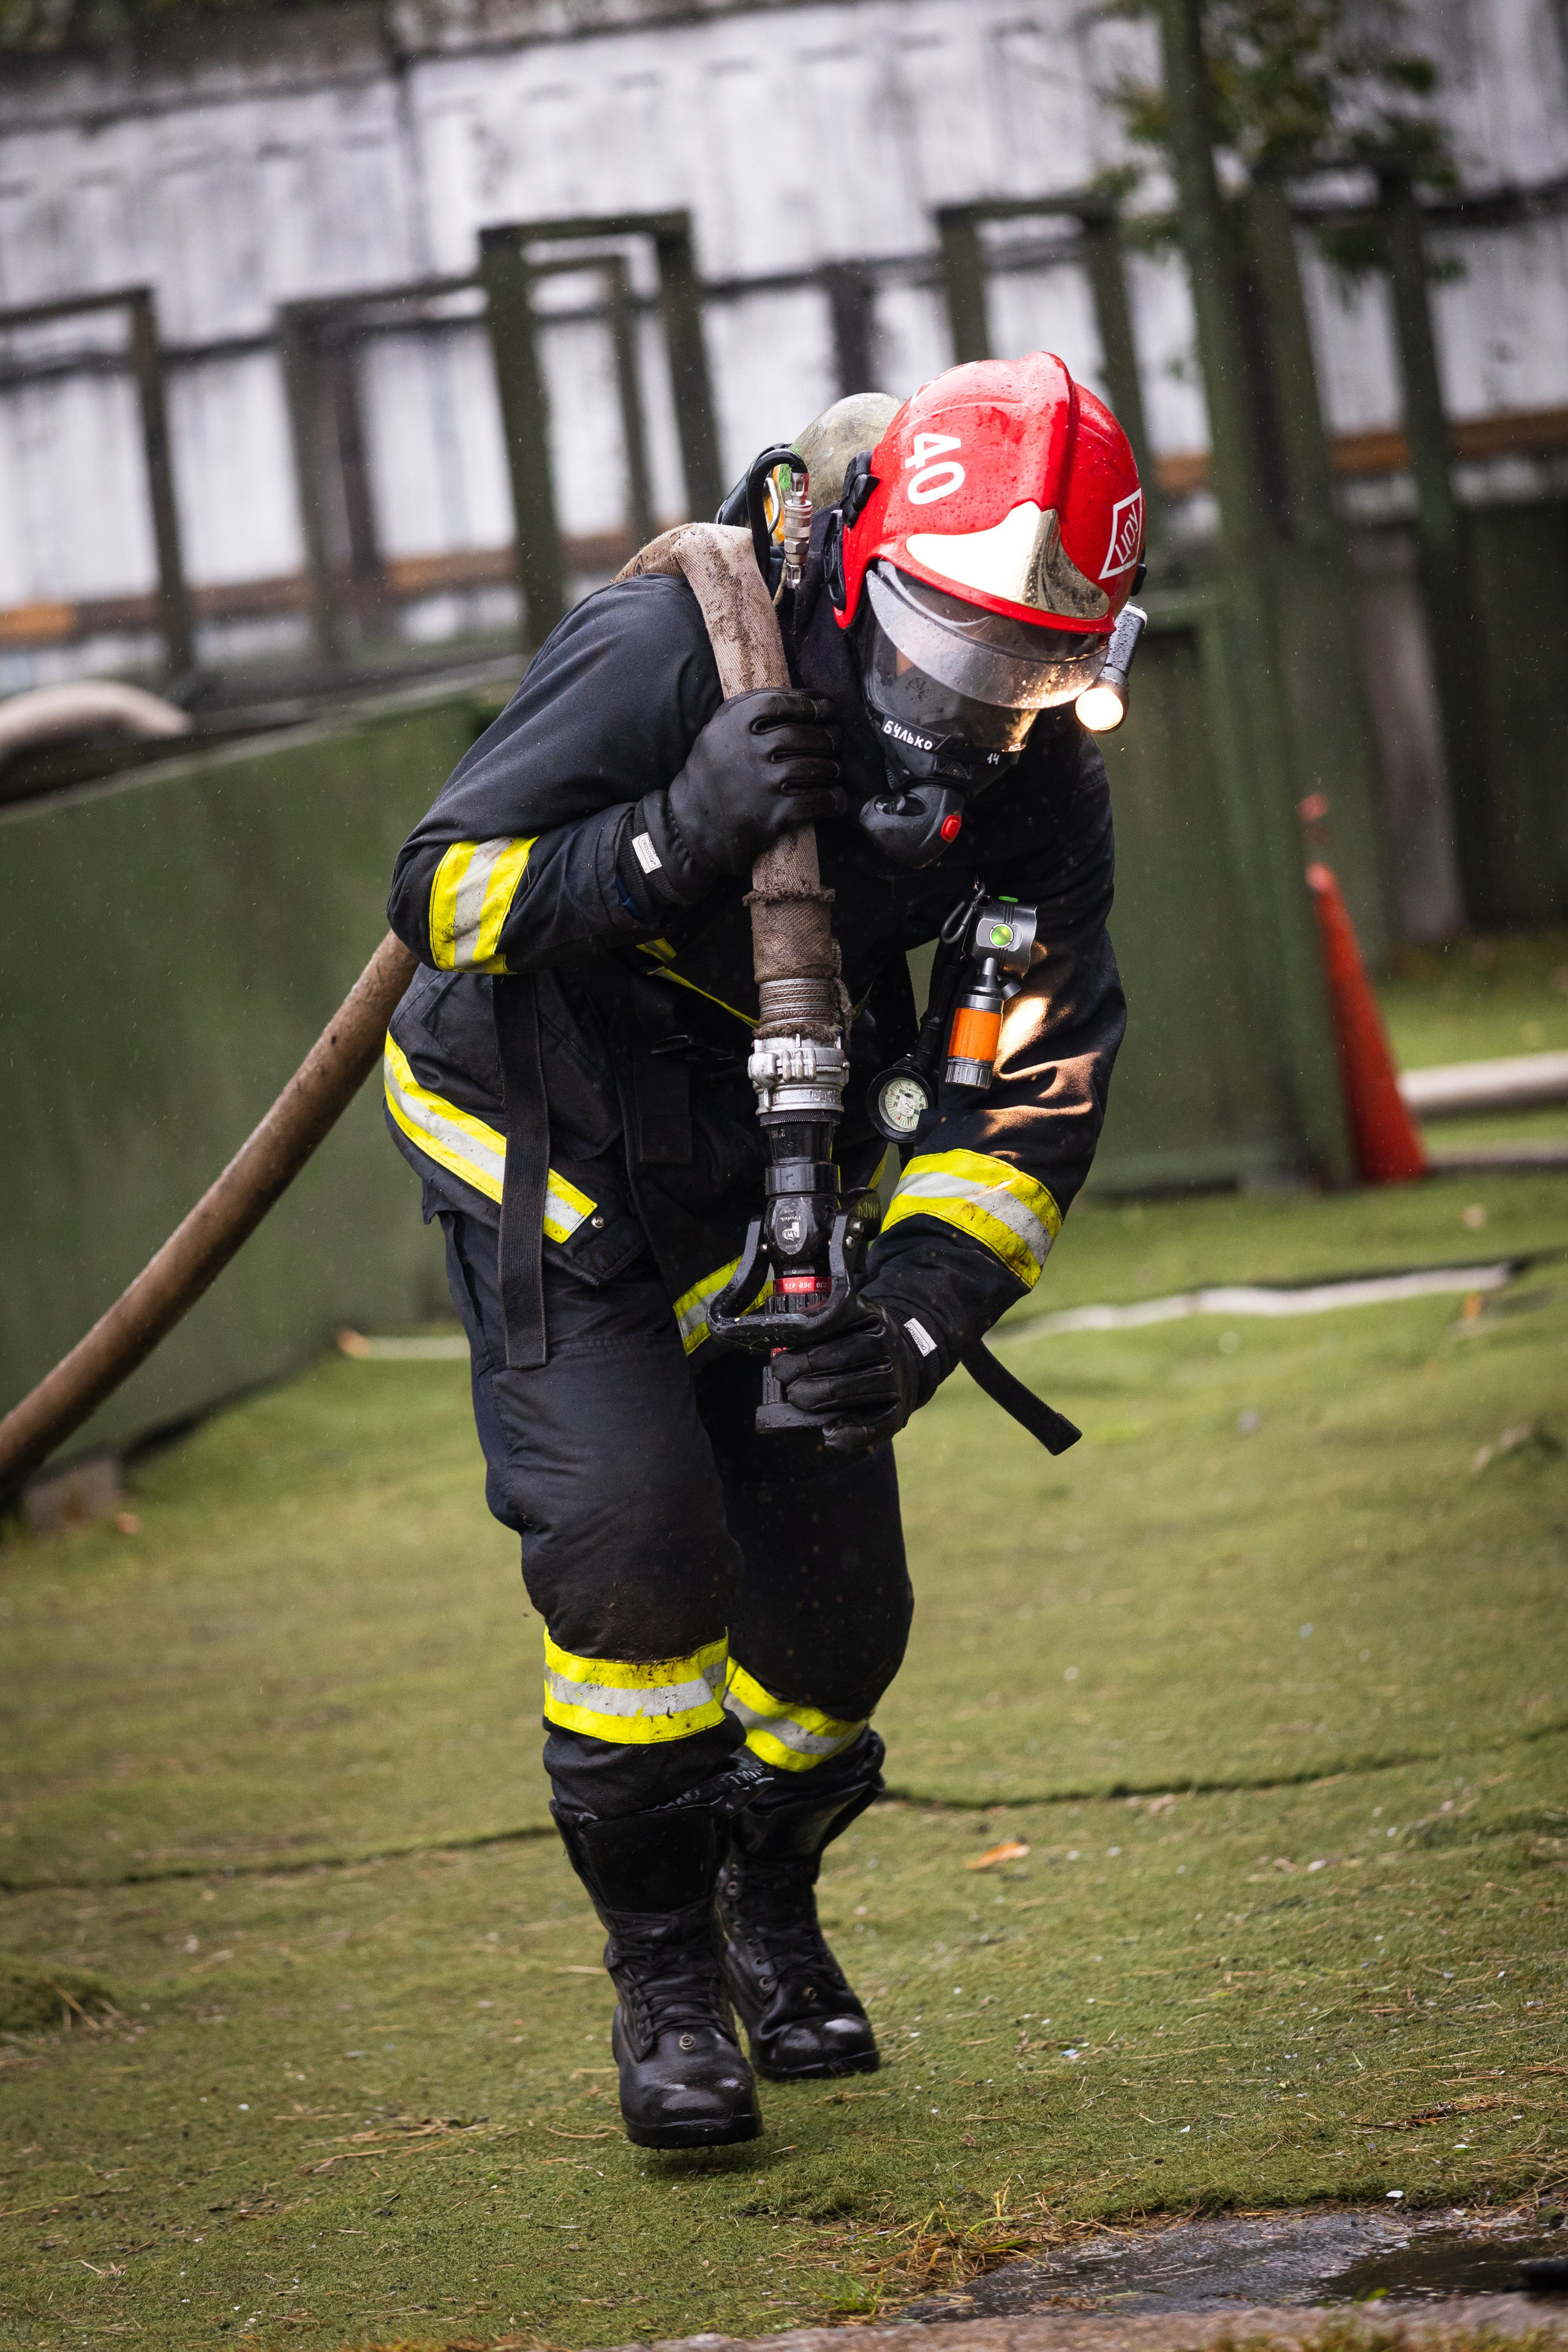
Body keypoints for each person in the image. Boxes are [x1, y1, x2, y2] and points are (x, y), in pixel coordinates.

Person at [383, 352, 1138, 2149]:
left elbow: (1031, 1067)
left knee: (838, 1623)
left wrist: (924, 1315)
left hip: (771, 1165)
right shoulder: (670, 645)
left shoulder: (1035, 775)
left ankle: (763, 1902)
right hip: (554, 1148)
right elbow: (440, 891)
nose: (969, 709)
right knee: (638, 1557)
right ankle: (665, 1983)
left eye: (1028, 672)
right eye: (943, 648)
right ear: (857, 566)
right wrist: (669, 837)